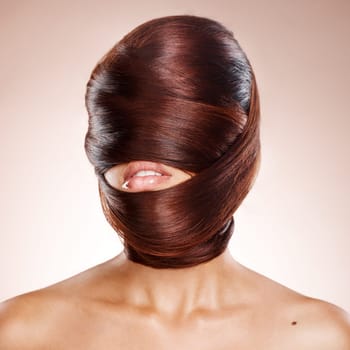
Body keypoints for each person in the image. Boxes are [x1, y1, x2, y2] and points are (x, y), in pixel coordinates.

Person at [0, 14, 349, 349]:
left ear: (233, 147)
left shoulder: (319, 338)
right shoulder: (21, 331)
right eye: (119, 122)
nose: (141, 156)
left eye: (173, 124)